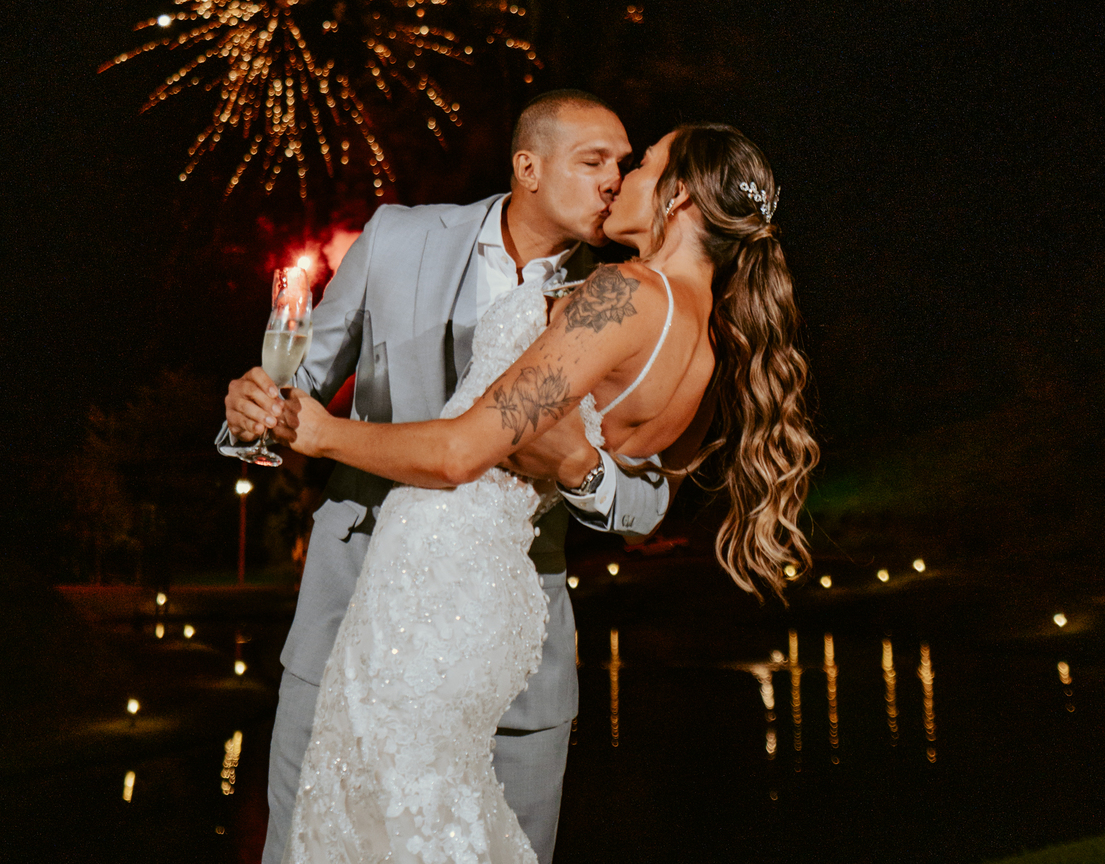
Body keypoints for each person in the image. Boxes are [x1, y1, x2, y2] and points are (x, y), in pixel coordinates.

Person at [271, 122, 818, 864]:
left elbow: (464, 450)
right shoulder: (712, 344)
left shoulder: (624, 294)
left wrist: (318, 433)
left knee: (373, 830)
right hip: (489, 600)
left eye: (644, 163)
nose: (622, 179)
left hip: (434, 589)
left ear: (681, 193)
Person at [220, 92, 671, 864]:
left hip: (509, 659)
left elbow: (648, 499)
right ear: (527, 167)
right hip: (349, 622)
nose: (615, 181)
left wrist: (581, 468)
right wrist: (249, 411)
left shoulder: (623, 299)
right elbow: (296, 381)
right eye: (594, 161)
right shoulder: (397, 238)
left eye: (625, 166)